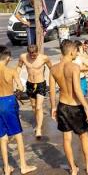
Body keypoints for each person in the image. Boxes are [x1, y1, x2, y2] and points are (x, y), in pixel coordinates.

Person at [49, 40, 88, 175]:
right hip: (75, 107)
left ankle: (73, 169)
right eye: (76, 51)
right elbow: (77, 90)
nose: (77, 53)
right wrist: (86, 106)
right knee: (83, 136)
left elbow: (52, 91)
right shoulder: (74, 67)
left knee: (66, 138)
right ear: (71, 52)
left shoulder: (53, 68)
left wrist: (53, 107)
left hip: (62, 106)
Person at [0, 45, 37, 175]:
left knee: (2, 137)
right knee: (18, 135)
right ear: (8, 57)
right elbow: (21, 87)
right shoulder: (11, 71)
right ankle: (23, 166)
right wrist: (17, 90)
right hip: (9, 101)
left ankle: (6, 167)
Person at [17, 45, 52, 139]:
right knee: (33, 106)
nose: (32, 57)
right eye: (31, 55)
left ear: (38, 52)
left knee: (38, 106)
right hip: (30, 84)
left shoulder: (44, 58)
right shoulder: (23, 57)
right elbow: (19, 67)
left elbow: (51, 68)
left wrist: (56, 81)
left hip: (40, 84)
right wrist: (17, 80)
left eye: (34, 55)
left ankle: (39, 129)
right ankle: (38, 121)